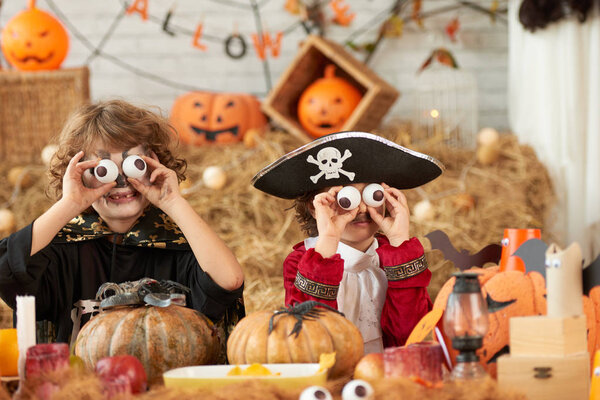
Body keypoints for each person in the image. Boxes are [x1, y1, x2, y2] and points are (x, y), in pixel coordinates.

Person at [0, 99, 245, 344]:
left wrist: (173, 202)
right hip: (81, 380)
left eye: (133, 165)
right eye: (103, 169)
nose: (121, 182)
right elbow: (5, 270)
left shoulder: (180, 245)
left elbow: (229, 282)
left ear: (154, 165)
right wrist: (70, 204)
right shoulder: (60, 249)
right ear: (78, 174)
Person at [252, 131, 443, 353]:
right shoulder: (303, 261)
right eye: (347, 199)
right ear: (315, 208)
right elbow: (308, 339)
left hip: (390, 376)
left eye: (372, 195)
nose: (361, 208)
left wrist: (400, 240)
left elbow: (412, 338)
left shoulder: (397, 257)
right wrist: (329, 240)